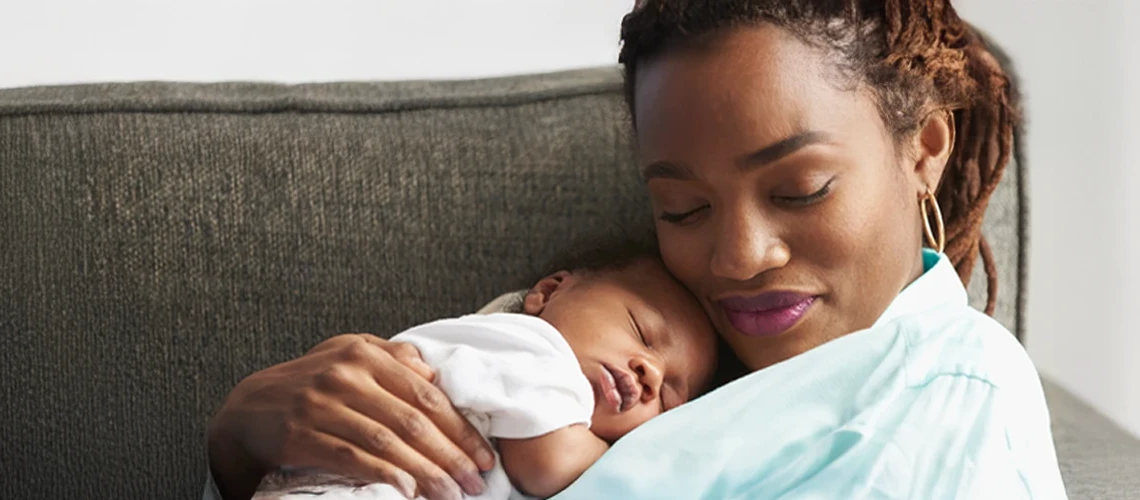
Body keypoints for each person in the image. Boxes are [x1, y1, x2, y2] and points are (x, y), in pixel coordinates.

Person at [205, 1, 1063, 499]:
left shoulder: (946, 394)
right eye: (682, 208)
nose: (738, 257)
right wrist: (245, 438)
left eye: (800, 189)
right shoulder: (614, 328)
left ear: (925, 149)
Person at [250, 253, 720, 499]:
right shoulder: (532, 344)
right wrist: (635, 459)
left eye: (668, 399)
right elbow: (546, 462)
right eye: (640, 330)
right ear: (549, 292)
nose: (650, 371)